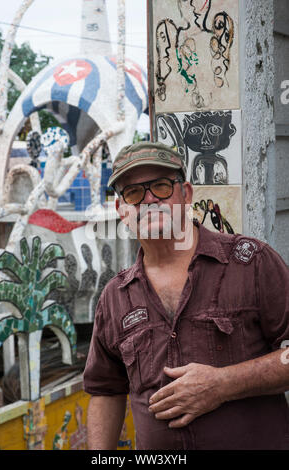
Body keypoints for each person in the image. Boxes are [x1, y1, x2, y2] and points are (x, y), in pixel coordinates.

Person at [83, 141, 289, 450]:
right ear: (121, 210)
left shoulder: (251, 263)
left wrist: (224, 384)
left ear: (186, 194)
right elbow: (105, 391)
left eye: (162, 186)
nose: (150, 200)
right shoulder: (115, 298)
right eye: (134, 193)